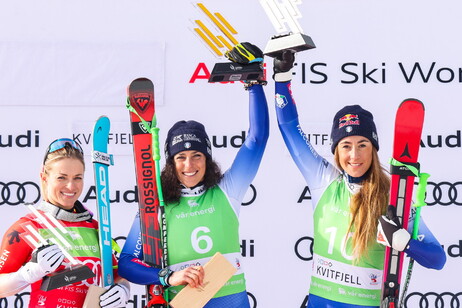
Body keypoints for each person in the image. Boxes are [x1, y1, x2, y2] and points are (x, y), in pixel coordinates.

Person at [271, 51, 446, 307]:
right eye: (346, 146)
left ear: (373, 149)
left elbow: (437, 259)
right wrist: (282, 78)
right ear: (336, 150)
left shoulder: (393, 197)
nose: (354, 155)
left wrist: (404, 242)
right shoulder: (324, 180)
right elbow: (288, 127)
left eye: (363, 145)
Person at [118, 44, 269, 307]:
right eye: (180, 157)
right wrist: (167, 276)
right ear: (170, 163)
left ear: (207, 160)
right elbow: (128, 264)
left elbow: (257, 139)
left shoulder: (226, 191)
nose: (189, 164)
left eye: (197, 156)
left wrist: (254, 84)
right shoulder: (157, 207)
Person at [0, 138, 130, 308]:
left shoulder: (96, 227)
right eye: (61, 177)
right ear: (44, 178)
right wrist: (30, 273)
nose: (71, 186)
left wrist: (123, 290)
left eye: (77, 178)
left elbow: (117, 275)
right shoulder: (28, 227)